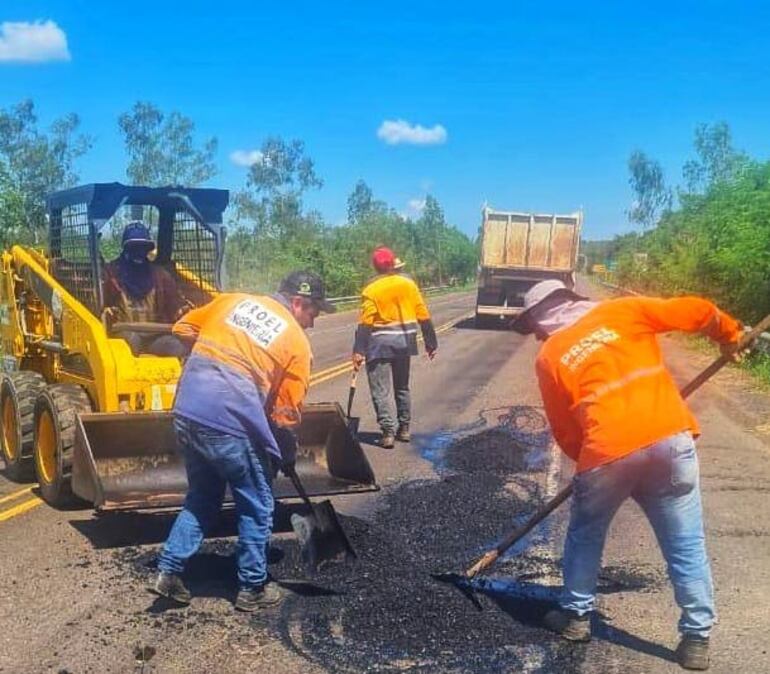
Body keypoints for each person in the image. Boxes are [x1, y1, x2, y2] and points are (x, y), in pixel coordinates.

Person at [511, 279, 744, 672]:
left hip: (606, 451)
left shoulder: (550, 356)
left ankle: (576, 616)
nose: (536, 335)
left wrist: (593, 467)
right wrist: (730, 335)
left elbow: (565, 431)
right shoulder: (623, 311)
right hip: (670, 440)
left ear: (541, 317)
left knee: (585, 535)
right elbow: (699, 311)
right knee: (685, 542)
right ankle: (696, 638)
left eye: (534, 326)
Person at [148, 271, 335, 612]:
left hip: (188, 410)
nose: (313, 322)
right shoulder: (296, 342)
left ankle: (169, 571)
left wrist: (219, 362)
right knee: (258, 504)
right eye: (314, 312)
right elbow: (285, 413)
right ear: (298, 303)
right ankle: (253, 587)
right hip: (229, 422)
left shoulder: (233, 301)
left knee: (202, 497)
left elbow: (182, 329)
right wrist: (284, 449)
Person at [352, 246, 438, 448]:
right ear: (393, 263)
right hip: (404, 343)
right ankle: (404, 429)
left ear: (375, 266)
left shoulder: (371, 290)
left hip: (379, 344)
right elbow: (423, 314)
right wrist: (431, 342)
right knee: (402, 387)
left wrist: (358, 350)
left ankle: (387, 432)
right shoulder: (409, 285)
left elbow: (366, 322)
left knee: (380, 391)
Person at [102, 221, 188, 357]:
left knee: (175, 347)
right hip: (124, 332)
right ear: (126, 249)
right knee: (133, 341)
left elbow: (174, 306)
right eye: (134, 248)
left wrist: (181, 312)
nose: (139, 252)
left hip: (156, 334)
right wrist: (106, 311)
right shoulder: (111, 273)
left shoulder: (161, 276)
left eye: (143, 248)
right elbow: (98, 306)